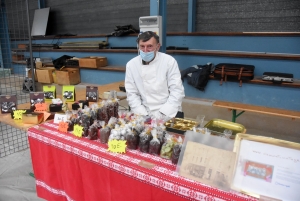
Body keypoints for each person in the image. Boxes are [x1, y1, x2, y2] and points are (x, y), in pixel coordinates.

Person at [125, 31, 185, 120]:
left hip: (169, 112)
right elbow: (132, 94)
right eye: (142, 46)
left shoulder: (169, 61)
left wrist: (163, 113)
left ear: (158, 47)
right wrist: (143, 114)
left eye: (149, 46)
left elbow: (177, 91)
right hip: (144, 113)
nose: (145, 50)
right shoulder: (131, 65)